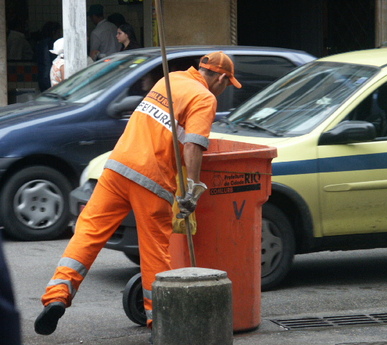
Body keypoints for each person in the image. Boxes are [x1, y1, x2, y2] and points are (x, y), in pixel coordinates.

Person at [34, 51, 242, 337]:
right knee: (155, 251)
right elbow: (194, 145)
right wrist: (192, 189)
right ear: (220, 76)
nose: (225, 88)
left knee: (88, 233)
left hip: (118, 167)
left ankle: (57, 295)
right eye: (227, 83)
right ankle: (158, 320)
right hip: (152, 179)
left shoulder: (170, 80)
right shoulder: (204, 98)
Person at [36, 21, 62, 91]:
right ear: (54, 32)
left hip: (42, 76)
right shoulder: (52, 44)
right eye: (59, 32)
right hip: (49, 76)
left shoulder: (40, 44)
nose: (60, 34)